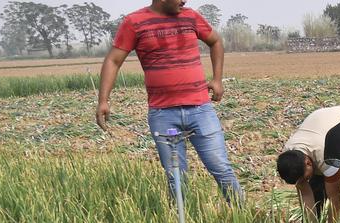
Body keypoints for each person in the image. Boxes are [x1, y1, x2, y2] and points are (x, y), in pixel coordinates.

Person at [96, 0, 242, 202]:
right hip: (163, 114)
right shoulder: (134, 22)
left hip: (201, 110)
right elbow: (113, 60)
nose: (184, 0)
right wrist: (103, 100)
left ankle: (242, 216)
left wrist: (217, 79)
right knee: (176, 177)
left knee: (221, 168)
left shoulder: (191, 17)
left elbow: (215, 41)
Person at [275, 106, 340, 223]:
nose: (304, 181)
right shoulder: (290, 153)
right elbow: (305, 194)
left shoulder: (326, 155)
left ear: (308, 162)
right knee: (316, 188)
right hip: (321, 122)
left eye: (305, 178)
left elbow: (335, 200)